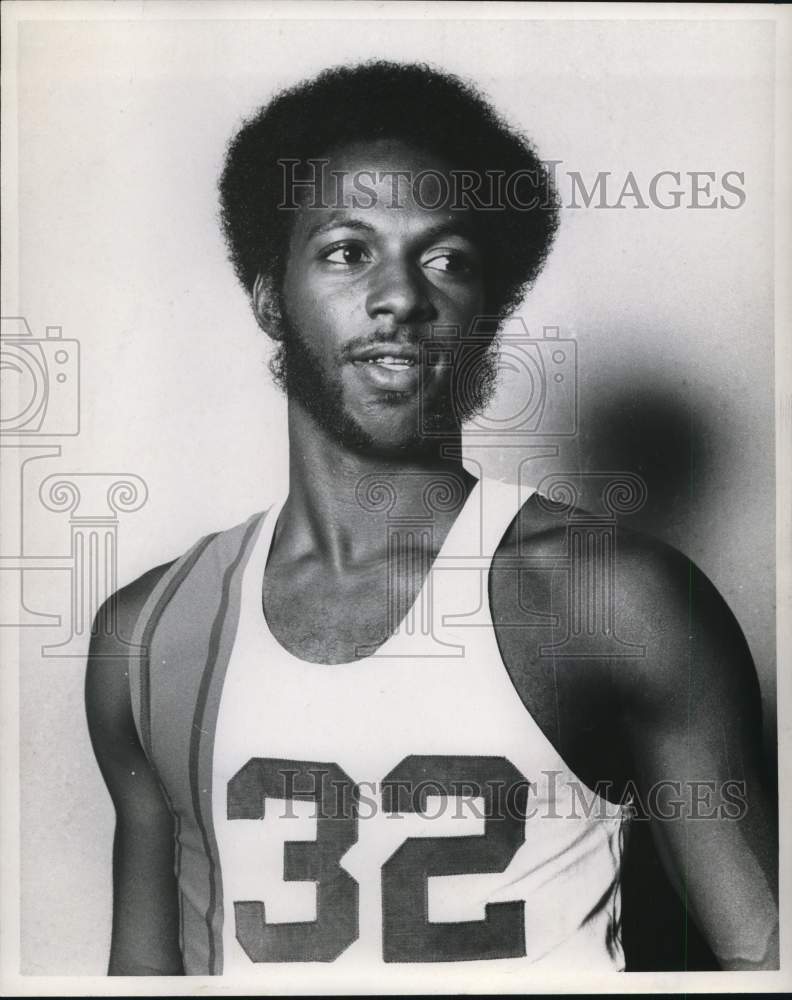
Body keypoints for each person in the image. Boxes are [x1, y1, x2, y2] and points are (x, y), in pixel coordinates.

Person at [85, 61, 778, 978]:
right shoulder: (149, 635)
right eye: (346, 250)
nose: (401, 297)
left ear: (485, 314)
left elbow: (767, 958)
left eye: (445, 259)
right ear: (267, 297)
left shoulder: (614, 597)